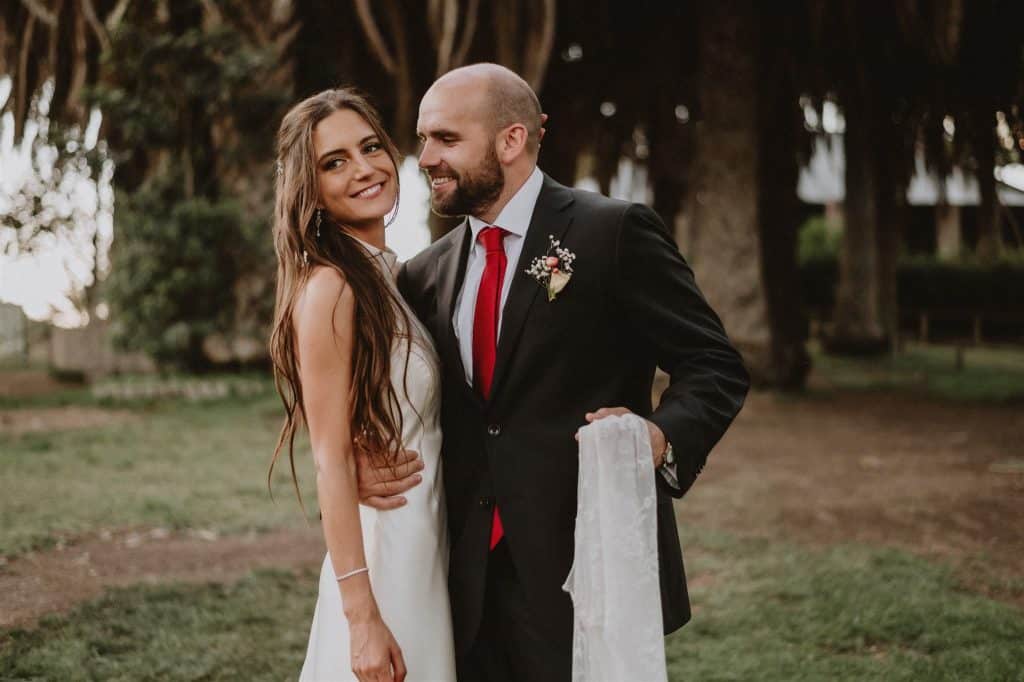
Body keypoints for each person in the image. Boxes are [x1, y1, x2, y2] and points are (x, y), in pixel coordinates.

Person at [358, 63, 751, 681]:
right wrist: (362, 456)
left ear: (511, 140)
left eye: (446, 139)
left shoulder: (612, 232)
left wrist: (659, 436)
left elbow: (713, 363)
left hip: (582, 563)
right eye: (424, 138)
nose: (426, 157)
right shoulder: (425, 273)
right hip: (460, 576)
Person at [268, 88, 456, 682]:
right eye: (335, 162)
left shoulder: (390, 277)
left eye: (370, 147)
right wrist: (362, 618)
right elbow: (328, 457)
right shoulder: (331, 288)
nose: (364, 168)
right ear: (311, 189)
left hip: (428, 538)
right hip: (386, 550)